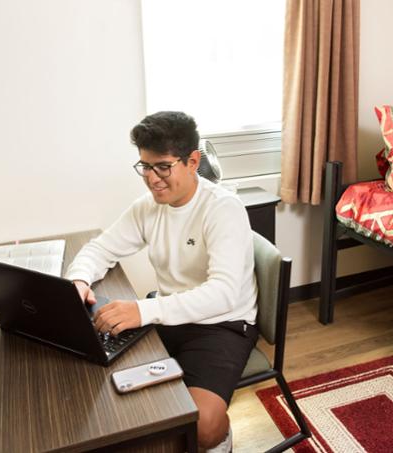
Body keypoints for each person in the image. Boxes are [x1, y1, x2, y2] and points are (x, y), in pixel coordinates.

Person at [65, 111, 258, 452]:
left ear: (193, 161)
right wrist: (79, 280)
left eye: (162, 167)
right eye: (144, 167)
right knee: (101, 381)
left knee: (203, 429)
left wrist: (143, 310)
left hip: (222, 324)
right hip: (169, 313)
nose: (152, 179)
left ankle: (222, 444)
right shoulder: (148, 207)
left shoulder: (222, 209)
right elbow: (101, 248)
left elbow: (223, 294)